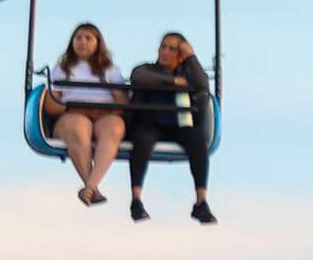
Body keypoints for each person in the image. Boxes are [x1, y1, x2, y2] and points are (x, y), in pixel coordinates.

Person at [125, 30, 216, 224]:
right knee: (142, 141)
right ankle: (136, 199)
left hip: (178, 125)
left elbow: (202, 84)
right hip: (150, 122)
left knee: (197, 141)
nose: (165, 51)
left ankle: (201, 201)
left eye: (172, 49)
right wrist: (173, 82)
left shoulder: (189, 73)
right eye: (163, 47)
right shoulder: (148, 70)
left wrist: (190, 57)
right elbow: (139, 77)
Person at [43, 22, 128, 206]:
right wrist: (74, 106)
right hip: (73, 113)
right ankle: (92, 187)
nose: (83, 42)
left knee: (113, 129)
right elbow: (52, 105)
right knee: (78, 129)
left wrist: (106, 110)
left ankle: (90, 186)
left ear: (98, 42)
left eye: (88, 38)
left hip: (103, 114)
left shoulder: (110, 70)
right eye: (78, 38)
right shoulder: (62, 70)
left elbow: (122, 102)